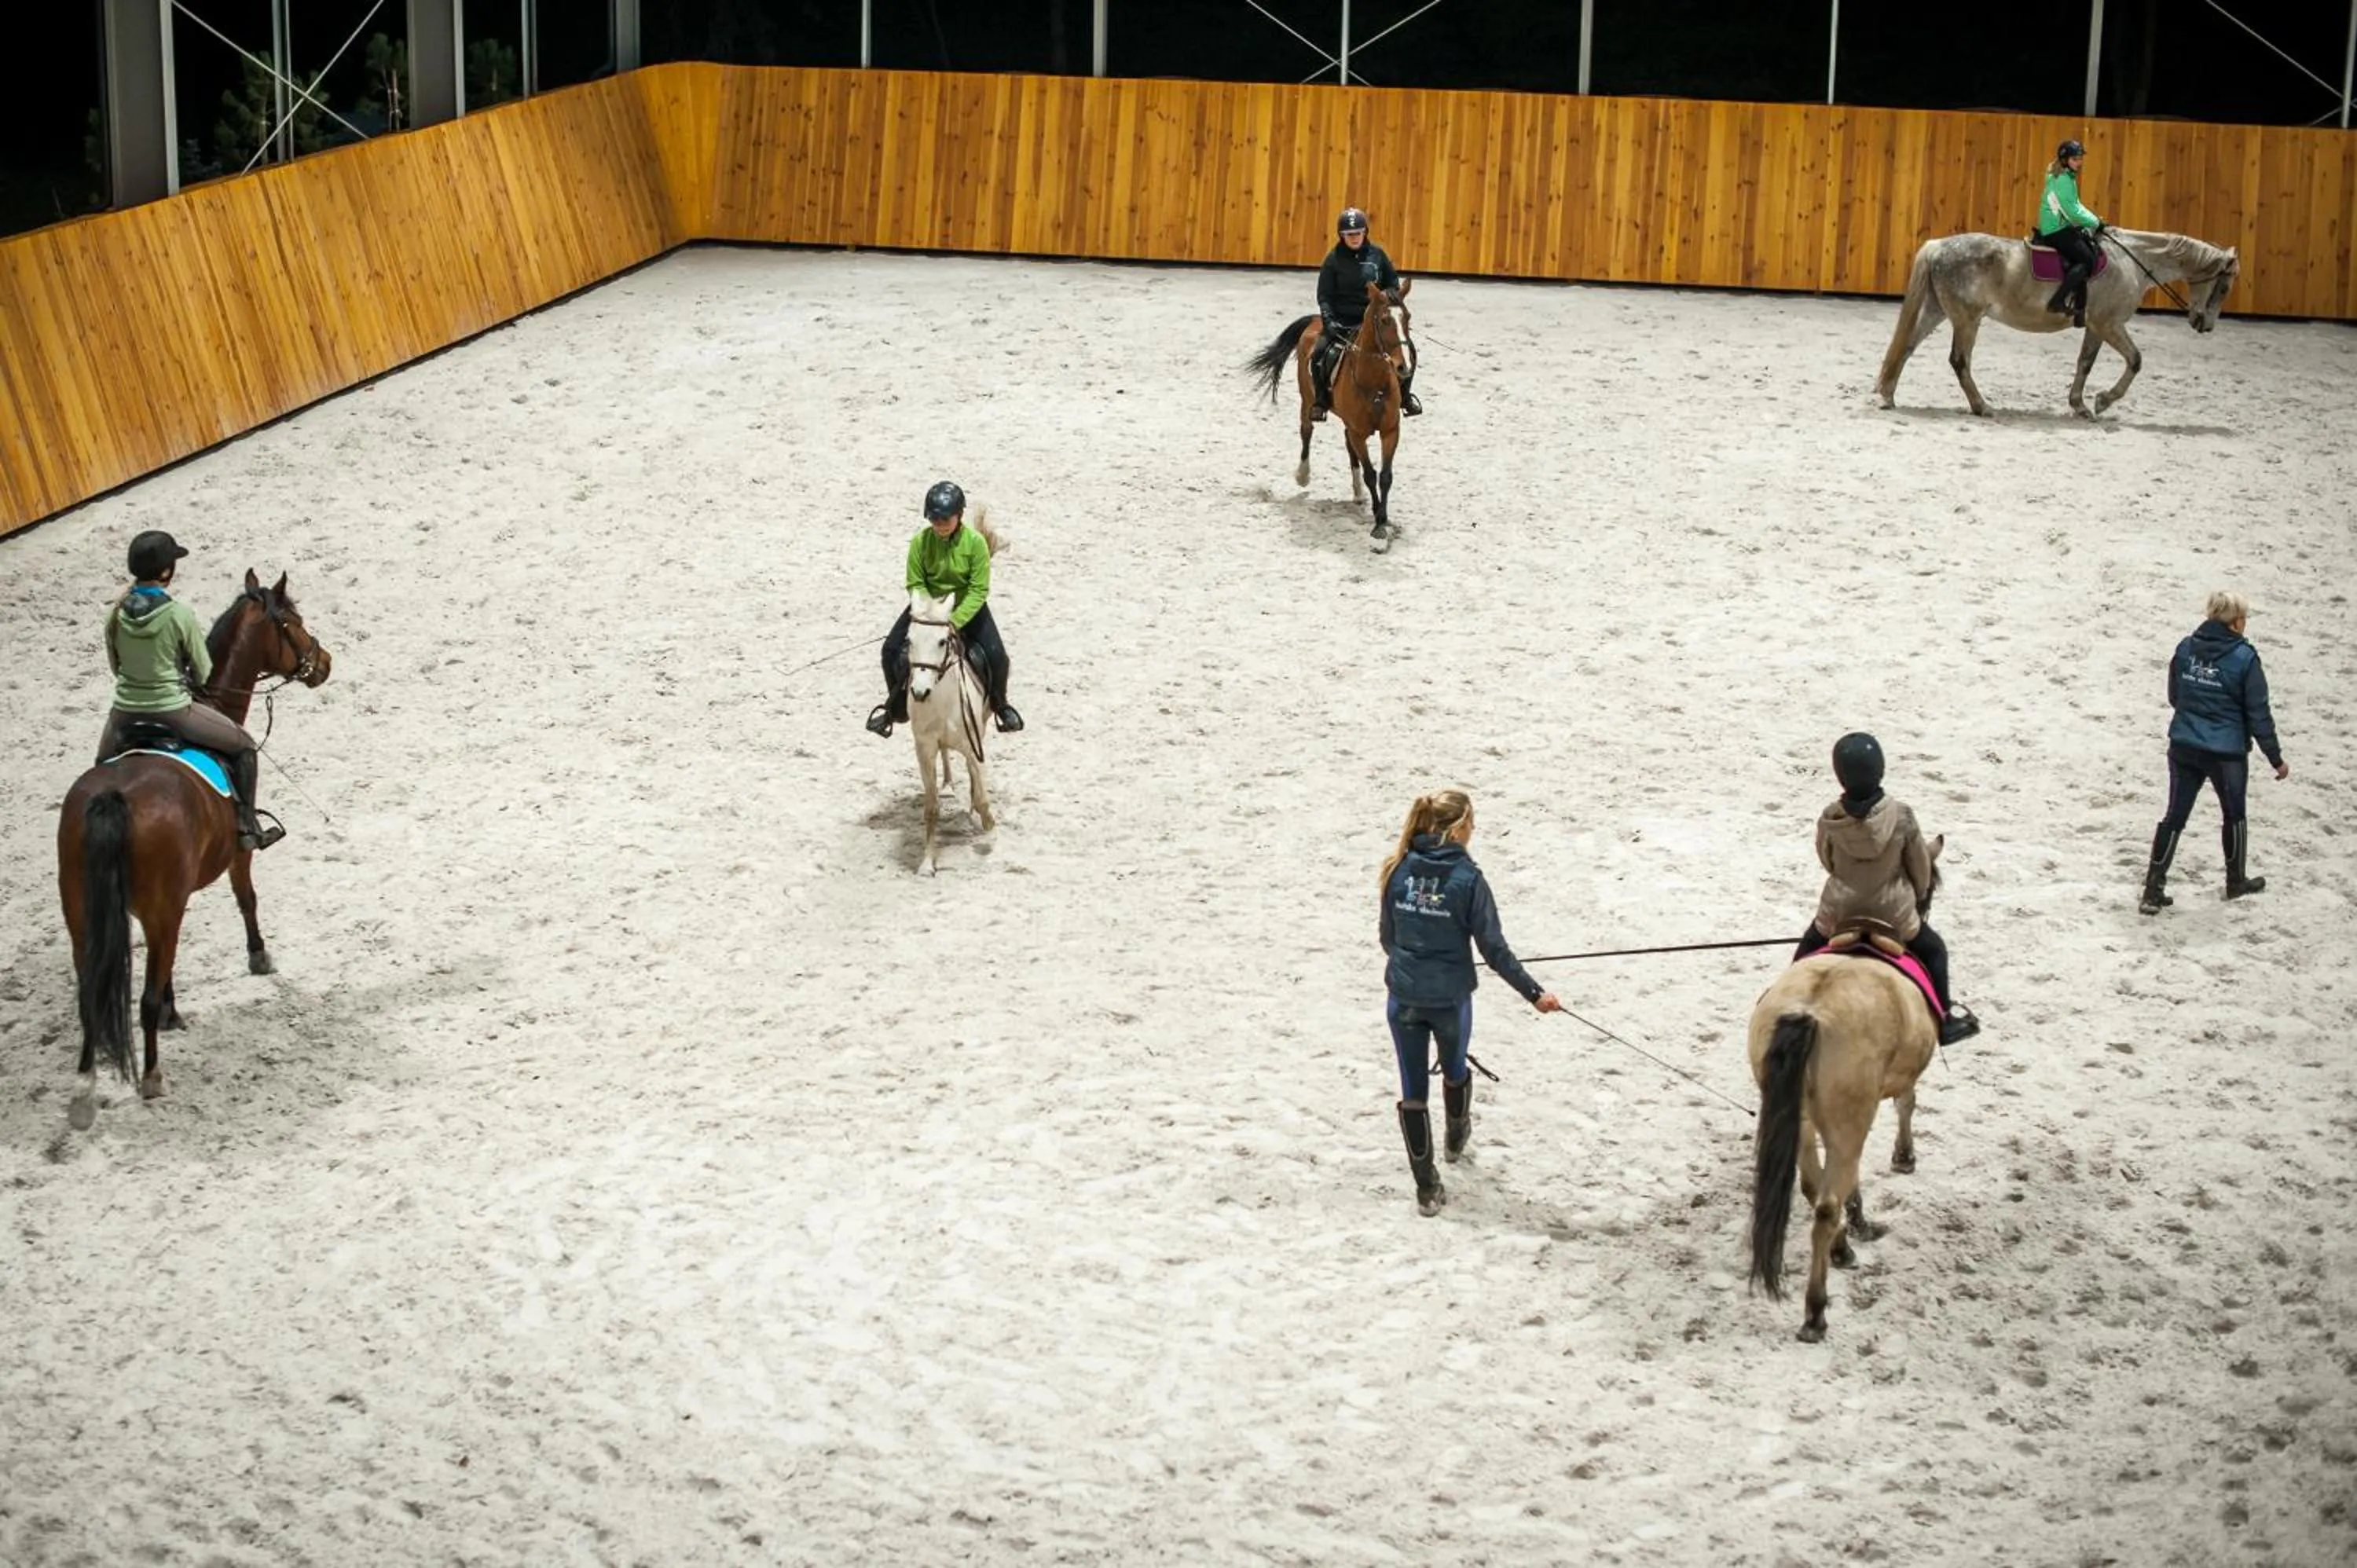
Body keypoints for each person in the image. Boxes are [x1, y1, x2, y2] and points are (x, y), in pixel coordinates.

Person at [1378, 788, 1560, 1217]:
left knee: (1412, 1092)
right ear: (1459, 828)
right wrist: (1535, 993)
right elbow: (1494, 949)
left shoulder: (1397, 869)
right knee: (1455, 1068)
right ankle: (1456, 1136)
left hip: (1403, 996)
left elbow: (1389, 939)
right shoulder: (1468, 880)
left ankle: (1427, 1189)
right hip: (1449, 1000)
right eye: (1473, 823)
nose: (1474, 830)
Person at [94, 529, 282, 852]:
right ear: (166, 571)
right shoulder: (178, 615)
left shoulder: (115, 613)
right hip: (174, 712)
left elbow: (116, 665)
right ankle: (247, 826)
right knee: (245, 747)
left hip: (123, 714)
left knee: (101, 768)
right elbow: (204, 670)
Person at [1793, 734, 1977, 1046]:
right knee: (1934, 951)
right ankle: (1945, 1020)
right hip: (1894, 914)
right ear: (1880, 769)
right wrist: (1915, 897)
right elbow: (1919, 867)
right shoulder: (1902, 815)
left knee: (1804, 954)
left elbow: (1828, 860)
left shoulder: (1831, 818)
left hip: (1839, 912)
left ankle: (1791, 1007)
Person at [2139, 591, 2287, 914]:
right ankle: (2236, 881)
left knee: (2174, 817)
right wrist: (2275, 757)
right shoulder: (2245, 658)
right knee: (2234, 815)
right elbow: (2258, 713)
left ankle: (2153, 888)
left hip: (2184, 745)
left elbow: (2175, 695)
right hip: (2226, 752)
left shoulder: (2185, 647)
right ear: (2236, 623)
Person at [865, 481, 1023, 738]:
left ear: (959, 515)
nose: (939, 526)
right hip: (928, 611)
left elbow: (978, 590)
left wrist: (955, 620)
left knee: (997, 655)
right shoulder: (920, 542)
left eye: (945, 520)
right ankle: (894, 708)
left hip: (966, 608)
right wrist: (930, 614)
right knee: (891, 649)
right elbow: (915, 582)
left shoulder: (975, 545)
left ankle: (1000, 705)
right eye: (934, 520)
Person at [1314, 207, 1420, 419]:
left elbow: (1392, 284)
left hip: (1374, 321)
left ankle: (1405, 397)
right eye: (1349, 235)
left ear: (1365, 233)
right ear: (1342, 236)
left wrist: (1387, 299)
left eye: (1358, 233)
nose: (1354, 238)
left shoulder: (1378, 255)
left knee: (1410, 350)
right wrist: (1329, 319)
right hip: (1343, 320)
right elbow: (1324, 295)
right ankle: (1320, 401)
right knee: (1319, 354)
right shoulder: (1333, 260)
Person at [2035, 138, 2105, 328]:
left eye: (2080, 159)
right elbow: (2072, 210)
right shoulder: (2064, 179)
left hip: (2060, 224)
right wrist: (2096, 223)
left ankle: (2080, 307)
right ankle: (2058, 300)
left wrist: (2091, 219)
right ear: (2065, 160)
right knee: (2088, 260)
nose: (2079, 163)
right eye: (2075, 159)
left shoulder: (2063, 175)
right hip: (2055, 228)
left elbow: (2074, 206)